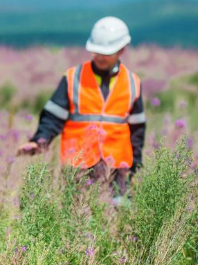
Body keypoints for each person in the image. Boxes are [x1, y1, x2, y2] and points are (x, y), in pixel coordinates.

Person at [18, 16, 146, 198]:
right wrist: (39, 140)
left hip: (118, 168)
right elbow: (53, 117)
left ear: (122, 50)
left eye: (106, 53)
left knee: (118, 216)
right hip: (78, 166)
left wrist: (136, 167)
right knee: (77, 218)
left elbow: (137, 131)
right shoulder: (73, 77)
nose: (100, 57)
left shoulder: (133, 82)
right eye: (96, 52)